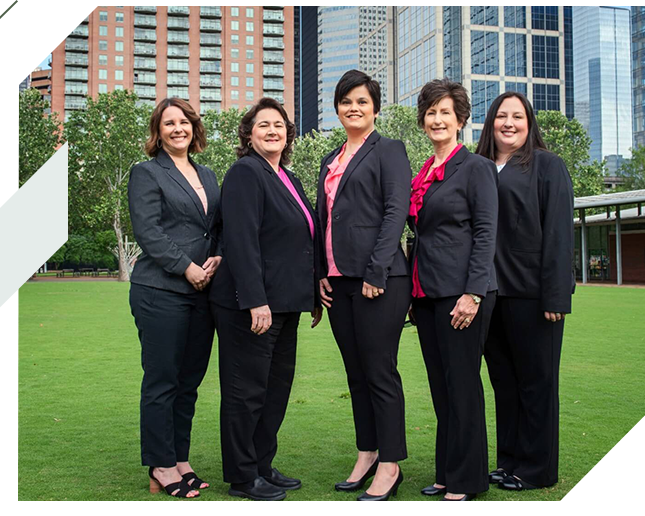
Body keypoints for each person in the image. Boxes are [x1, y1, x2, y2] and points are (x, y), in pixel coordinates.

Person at [209, 97, 322, 501]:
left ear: (288, 134)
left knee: (275, 389)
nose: (272, 131)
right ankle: (242, 476)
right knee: (246, 391)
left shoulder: (288, 178)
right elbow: (241, 240)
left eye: (279, 125)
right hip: (252, 307)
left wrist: (312, 296)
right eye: (263, 125)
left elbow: (300, 242)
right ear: (248, 134)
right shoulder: (244, 172)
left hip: (286, 304)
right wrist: (255, 300)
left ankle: (261, 465)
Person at [316, 70, 412, 501]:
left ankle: (390, 465)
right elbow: (324, 221)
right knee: (356, 374)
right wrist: (320, 271)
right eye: (345, 101)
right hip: (338, 282)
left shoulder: (389, 150)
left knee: (379, 372)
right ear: (336, 109)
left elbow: (396, 212)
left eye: (361, 101)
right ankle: (367, 452)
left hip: (381, 279)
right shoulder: (330, 159)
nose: (353, 108)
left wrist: (376, 270)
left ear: (375, 107)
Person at [476, 91, 575, 491]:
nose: (509, 123)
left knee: (537, 383)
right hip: (490, 295)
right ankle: (509, 460)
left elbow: (558, 233)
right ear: (490, 123)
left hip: (534, 296)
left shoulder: (547, 166)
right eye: (502, 116)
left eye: (518, 116)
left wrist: (556, 295)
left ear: (529, 122)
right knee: (504, 382)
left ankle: (536, 469)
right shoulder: (479, 167)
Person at [408, 79, 499, 501]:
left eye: (446, 112)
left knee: (462, 385)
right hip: (426, 294)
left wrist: (473, 293)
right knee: (441, 387)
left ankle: (467, 480)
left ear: (461, 120)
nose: (437, 119)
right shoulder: (423, 172)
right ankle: (447, 472)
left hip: (462, 293)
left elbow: (485, 234)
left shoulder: (476, 168)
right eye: (431, 112)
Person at [128, 97, 222, 498]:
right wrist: (187, 267)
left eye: (184, 121)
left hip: (203, 294)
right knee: (162, 381)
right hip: (161, 290)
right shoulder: (146, 173)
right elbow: (149, 232)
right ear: (158, 131)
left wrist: (217, 255)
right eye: (169, 123)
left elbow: (215, 227)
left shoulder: (210, 175)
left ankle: (180, 458)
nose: (178, 128)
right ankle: (161, 466)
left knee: (189, 384)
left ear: (194, 128)